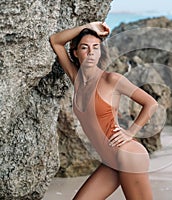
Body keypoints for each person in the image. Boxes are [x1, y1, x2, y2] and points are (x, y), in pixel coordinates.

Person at [49, 21, 158, 200]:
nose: (91, 53)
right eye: (85, 48)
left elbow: (151, 103)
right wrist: (90, 26)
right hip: (110, 162)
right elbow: (56, 41)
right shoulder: (76, 79)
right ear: (76, 53)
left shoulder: (111, 79)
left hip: (127, 155)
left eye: (96, 47)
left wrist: (131, 132)